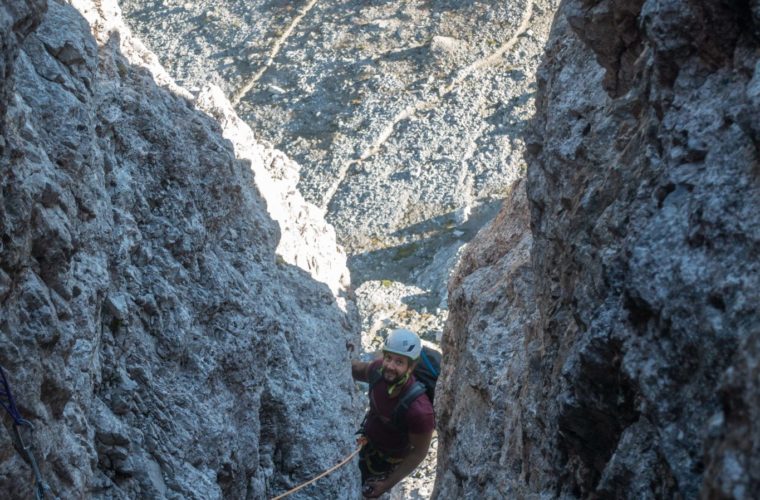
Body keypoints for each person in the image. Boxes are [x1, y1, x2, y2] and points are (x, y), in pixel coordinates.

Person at [351, 329, 435, 498]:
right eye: (388, 358)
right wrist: (341, 354)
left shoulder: (419, 411)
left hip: (384, 463)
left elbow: (419, 453)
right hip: (364, 441)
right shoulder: (377, 371)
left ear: (411, 366)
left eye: (399, 362)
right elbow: (357, 369)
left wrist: (385, 485)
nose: (390, 366)